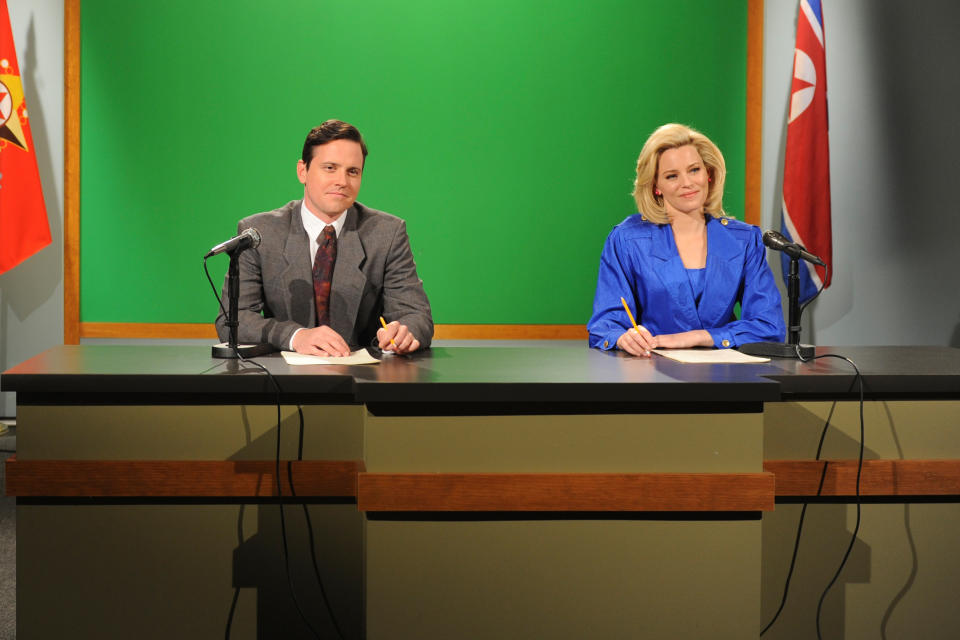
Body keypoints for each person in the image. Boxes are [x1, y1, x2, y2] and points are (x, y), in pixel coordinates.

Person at [215, 119, 432, 355]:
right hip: (282, 382)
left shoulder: (387, 233)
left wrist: (405, 332)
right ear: (302, 171)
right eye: (330, 167)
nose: (342, 181)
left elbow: (416, 315)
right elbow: (233, 321)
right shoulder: (259, 233)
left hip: (363, 380)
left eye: (353, 171)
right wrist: (296, 337)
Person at [587, 123, 784, 356]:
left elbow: (769, 326)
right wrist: (623, 338)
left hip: (726, 379)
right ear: (656, 186)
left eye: (694, 170)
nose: (687, 183)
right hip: (652, 374)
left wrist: (697, 337)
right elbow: (603, 327)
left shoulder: (744, 240)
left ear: (708, 174)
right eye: (672, 176)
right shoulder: (627, 239)